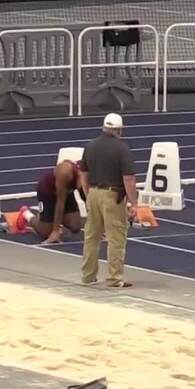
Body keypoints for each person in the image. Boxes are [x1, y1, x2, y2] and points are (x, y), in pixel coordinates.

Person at [79, 113, 138, 288]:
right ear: (119, 130)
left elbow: (83, 173)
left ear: (104, 127)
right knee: (116, 238)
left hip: (93, 193)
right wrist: (133, 203)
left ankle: (88, 276)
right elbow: (128, 178)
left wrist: (88, 194)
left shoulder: (90, 146)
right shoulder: (122, 149)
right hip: (112, 196)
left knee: (91, 237)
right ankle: (114, 278)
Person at [30, 159, 84, 244]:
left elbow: (89, 202)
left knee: (76, 226)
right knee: (46, 233)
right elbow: (60, 203)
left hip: (66, 191)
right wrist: (55, 231)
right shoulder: (65, 172)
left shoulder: (88, 175)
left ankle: (50, 218)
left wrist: (97, 229)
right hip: (47, 191)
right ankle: (27, 215)